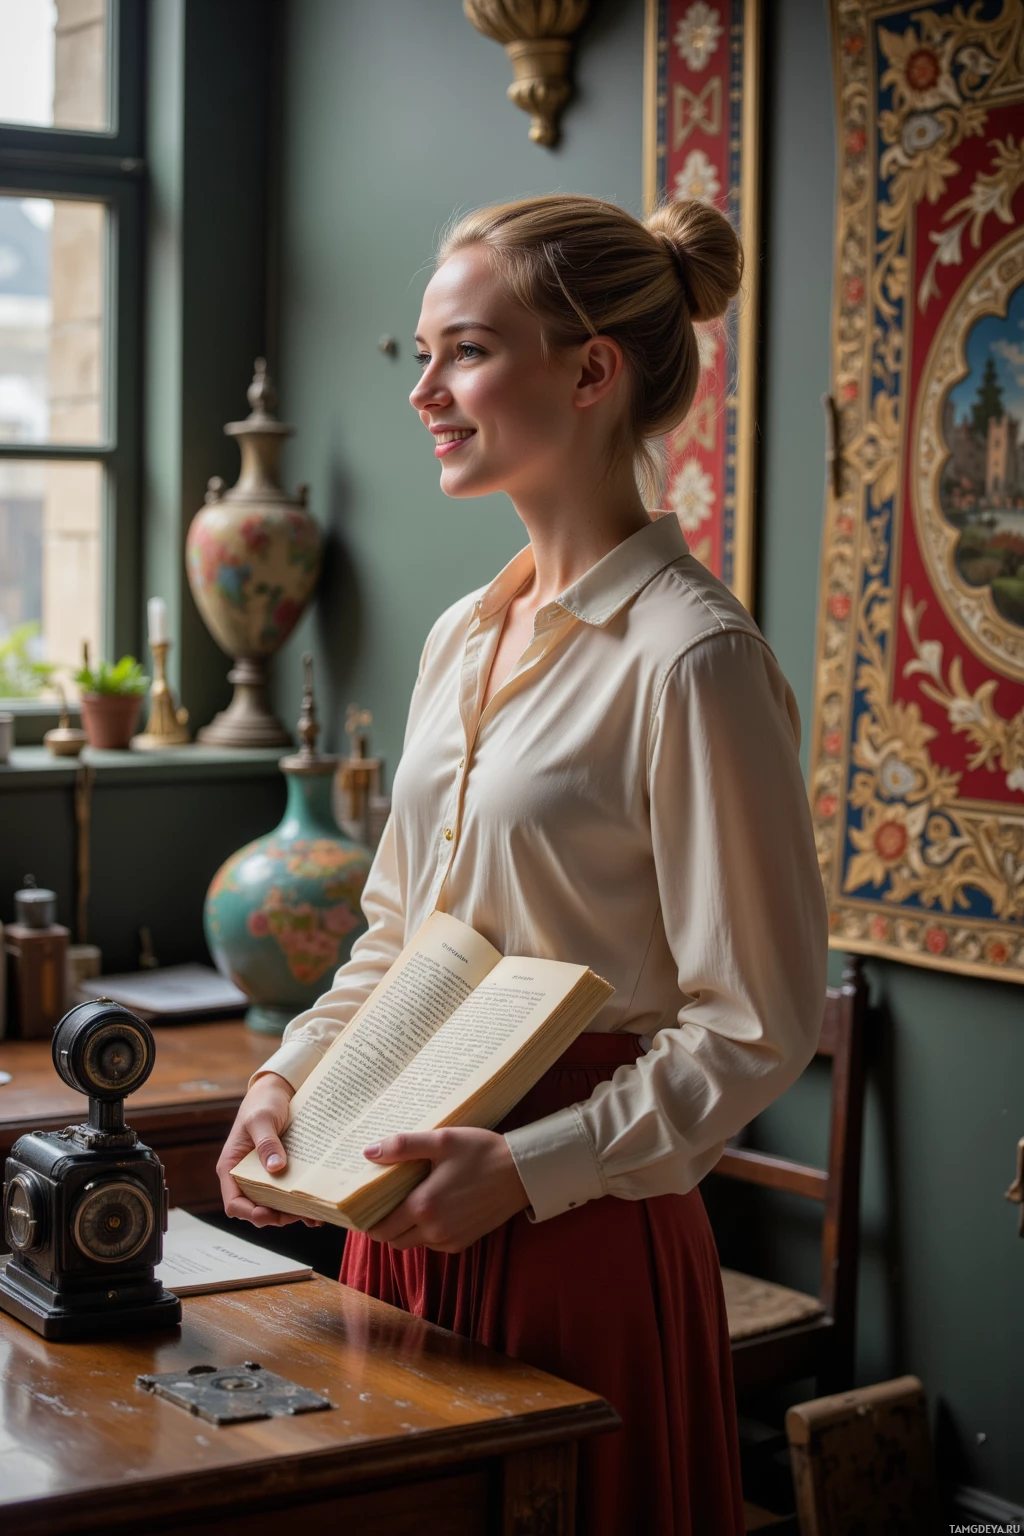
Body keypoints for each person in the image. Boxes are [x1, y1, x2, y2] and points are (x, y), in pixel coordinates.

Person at [217, 193, 828, 1535]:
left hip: (577, 1236)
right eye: (424, 353)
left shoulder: (696, 662)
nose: (425, 390)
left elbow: (757, 1031)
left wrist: (534, 1168)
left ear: (593, 372)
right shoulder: (456, 639)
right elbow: (392, 936)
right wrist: (289, 1076)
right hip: (400, 1210)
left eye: (467, 352)